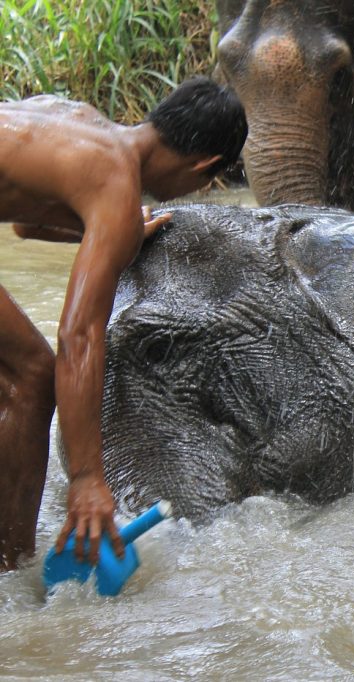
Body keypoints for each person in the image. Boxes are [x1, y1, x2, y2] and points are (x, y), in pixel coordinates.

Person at [0, 77, 247, 571]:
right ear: (204, 168)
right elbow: (78, 336)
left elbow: (25, 223)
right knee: (30, 375)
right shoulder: (115, 180)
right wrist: (87, 478)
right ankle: (10, 570)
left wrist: (115, 228)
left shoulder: (80, 118)